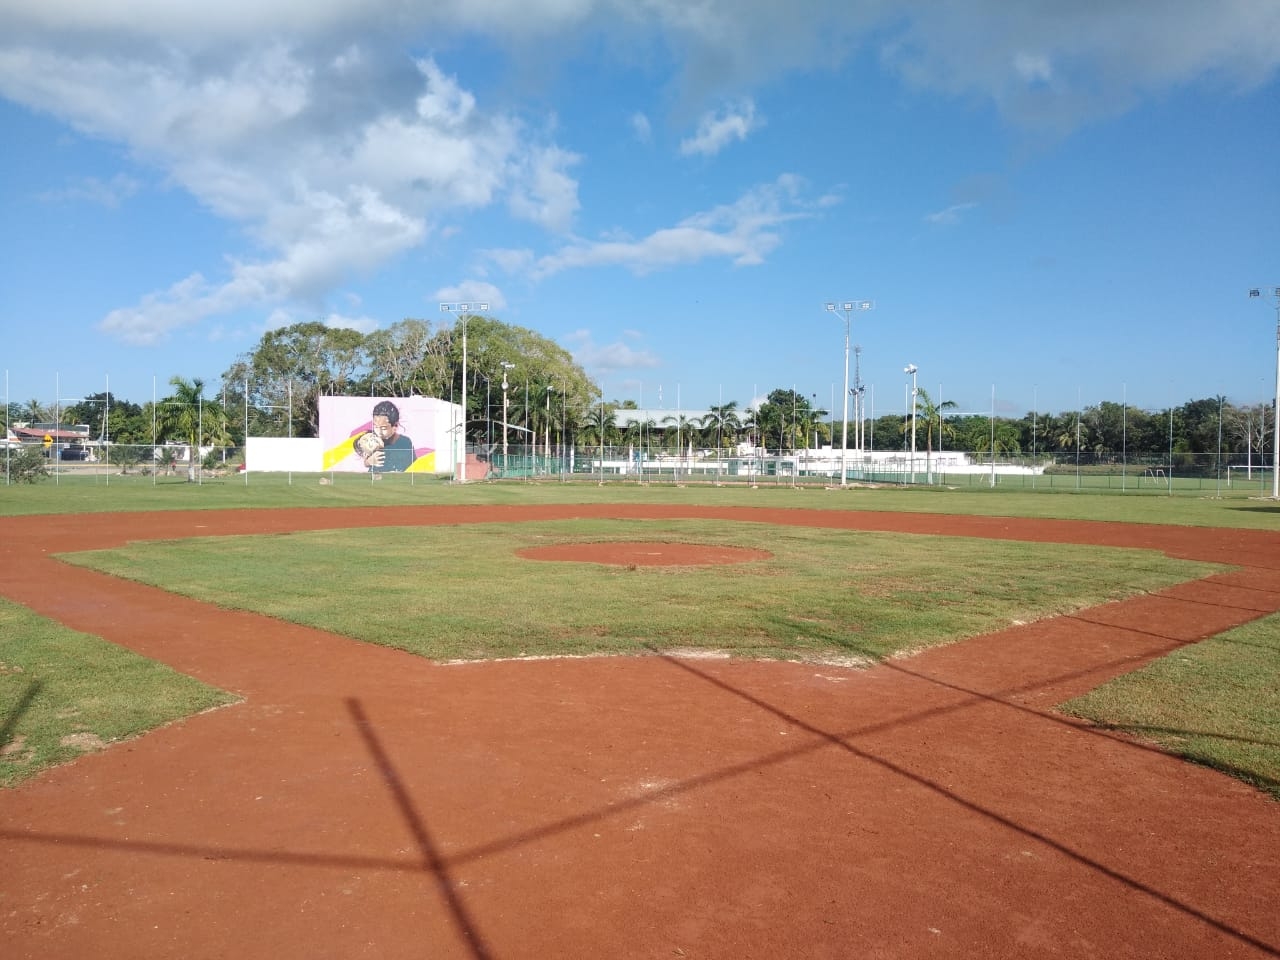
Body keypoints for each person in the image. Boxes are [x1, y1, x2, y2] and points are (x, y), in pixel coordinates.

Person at [360, 400, 415, 472]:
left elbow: (413, 464)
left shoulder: (405, 442)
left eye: (383, 428)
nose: (379, 432)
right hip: (377, 477)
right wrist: (369, 461)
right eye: (376, 427)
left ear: (395, 426)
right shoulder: (372, 440)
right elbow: (366, 461)